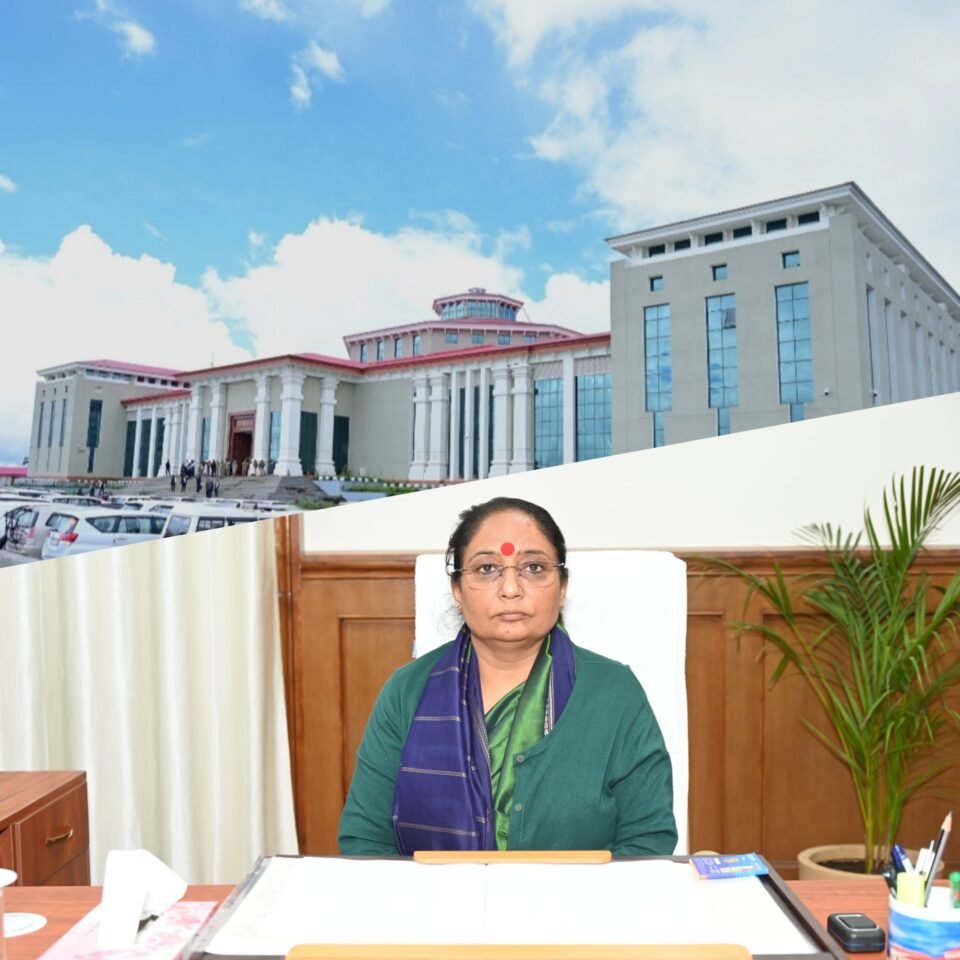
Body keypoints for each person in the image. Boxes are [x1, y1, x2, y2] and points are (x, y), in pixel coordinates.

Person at [338, 496, 677, 856]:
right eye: (487, 569)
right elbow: (365, 841)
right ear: (457, 590)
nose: (511, 589)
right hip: (431, 895)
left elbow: (648, 840)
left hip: (585, 896)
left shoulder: (615, 693)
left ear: (562, 587)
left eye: (533, 567)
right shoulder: (407, 691)